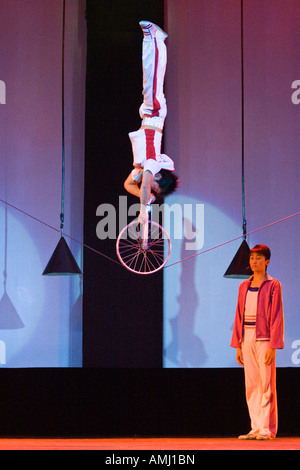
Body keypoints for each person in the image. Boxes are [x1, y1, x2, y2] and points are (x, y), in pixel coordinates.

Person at [124, 21, 178, 224]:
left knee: (151, 78)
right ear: (158, 180)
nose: (151, 189)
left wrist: (145, 200)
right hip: (154, 115)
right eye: (155, 189)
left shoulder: (142, 169)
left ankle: (154, 39)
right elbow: (145, 186)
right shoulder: (153, 164)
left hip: (148, 116)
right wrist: (143, 209)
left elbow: (128, 185)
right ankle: (154, 38)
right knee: (153, 76)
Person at [230, 244, 284, 440]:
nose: (254, 262)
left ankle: (267, 429)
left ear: (267, 261)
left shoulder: (273, 285)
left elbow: (277, 316)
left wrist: (273, 345)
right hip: (247, 336)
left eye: (259, 258)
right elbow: (238, 315)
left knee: (266, 384)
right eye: (252, 258)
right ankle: (255, 427)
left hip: (264, 338)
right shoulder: (243, 285)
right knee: (251, 383)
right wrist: (237, 343)